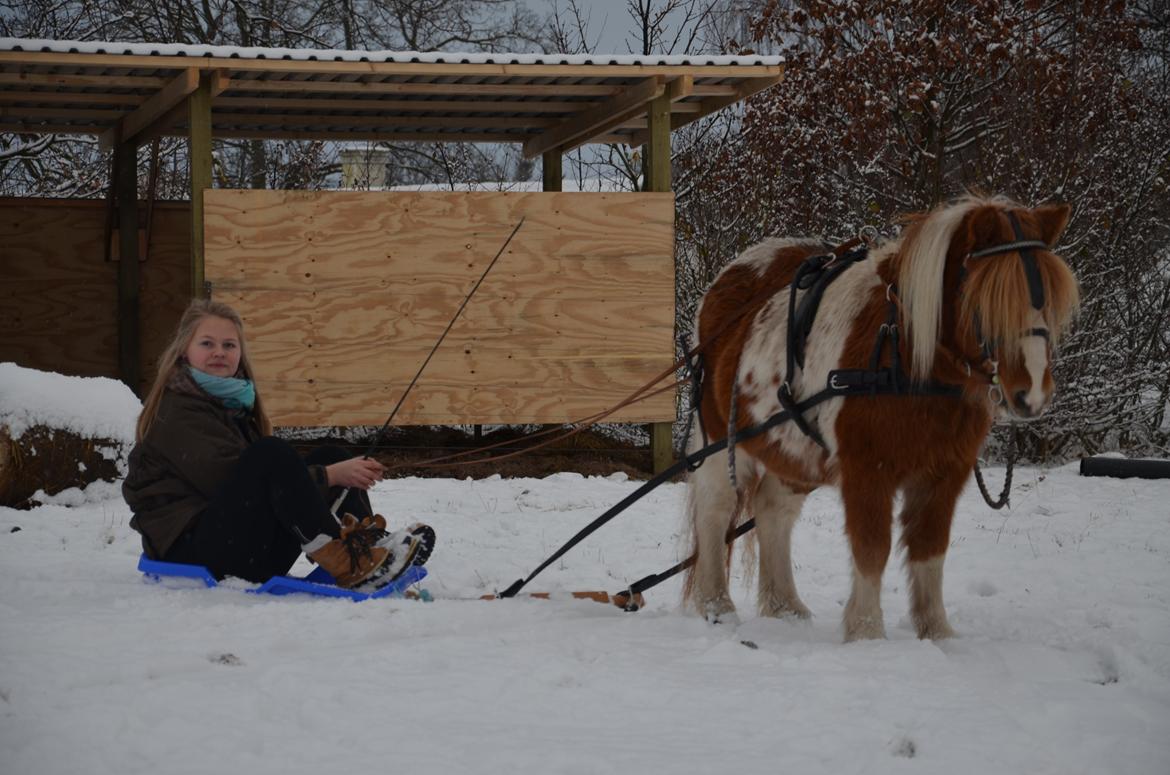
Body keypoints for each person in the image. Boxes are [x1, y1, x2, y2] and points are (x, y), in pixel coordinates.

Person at [123, 299, 433, 589]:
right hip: (192, 552)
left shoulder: (230, 405)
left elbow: (256, 488)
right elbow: (224, 481)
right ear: (184, 351)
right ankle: (352, 563)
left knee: (330, 454)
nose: (220, 352)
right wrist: (330, 477)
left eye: (229, 345)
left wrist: (329, 472)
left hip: (237, 546)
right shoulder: (177, 411)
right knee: (271, 453)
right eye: (207, 343)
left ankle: (368, 547)